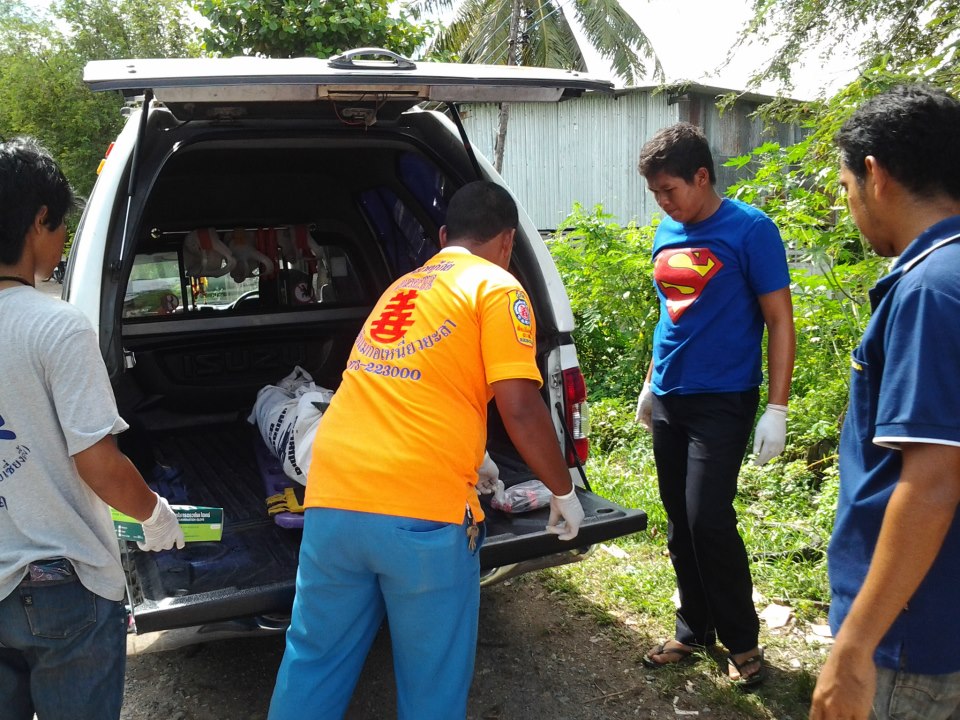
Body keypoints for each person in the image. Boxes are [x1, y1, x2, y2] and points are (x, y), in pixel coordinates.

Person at [268, 180, 585, 719]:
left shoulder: (403, 288)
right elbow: (519, 406)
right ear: (508, 241)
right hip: (421, 513)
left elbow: (408, 385)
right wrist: (563, 489)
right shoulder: (497, 286)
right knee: (431, 680)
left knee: (314, 659)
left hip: (332, 496)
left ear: (442, 237)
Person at [0, 137, 185, 720]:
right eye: (61, 225)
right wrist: (155, 515)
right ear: (39, 221)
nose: (62, 240)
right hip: (64, 588)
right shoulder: (56, 327)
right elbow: (98, 464)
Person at [809, 85, 960, 720]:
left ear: (875, 175)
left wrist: (854, 649)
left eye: (845, 187)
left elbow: (932, 482)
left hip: (909, 633)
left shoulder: (931, 291)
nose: (849, 205)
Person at [633, 122, 796, 686]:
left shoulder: (751, 229)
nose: (663, 201)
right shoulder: (666, 231)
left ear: (702, 177)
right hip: (671, 395)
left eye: (670, 189)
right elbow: (669, 314)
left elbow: (779, 320)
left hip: (723, 398)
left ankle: (742, 641)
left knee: (709, 520)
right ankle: (693, 629)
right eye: (655, 192)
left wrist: (777, 408)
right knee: (680, 521)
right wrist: (651, 382)